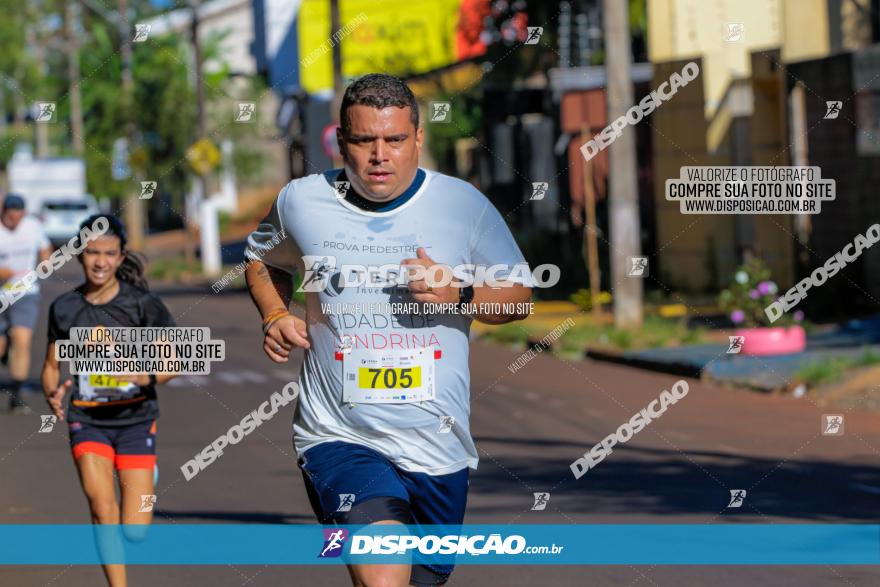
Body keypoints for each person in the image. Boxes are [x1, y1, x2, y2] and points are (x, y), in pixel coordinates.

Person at [245, 73, 533, 586]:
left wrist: (459, 293)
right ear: (341, 140)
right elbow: (260, 260)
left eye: (395, 140)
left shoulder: (461, 206)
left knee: (422, 576)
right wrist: (274, 314)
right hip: (338, 436)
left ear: (418, 139)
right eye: (364, 140)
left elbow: (519, 298)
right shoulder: (302, 202)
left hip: (437, 446)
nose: (380, 155)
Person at [41, 214, 177, 587]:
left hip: (136, 419)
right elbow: (52, 366)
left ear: (120, 257)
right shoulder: (65, 309)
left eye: (109, 253)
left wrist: (144, 375)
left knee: (134, 531)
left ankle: (148, 475)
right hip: (88, 420)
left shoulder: (143, 306)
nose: (100, 261)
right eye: (92, 253)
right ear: (79, 255)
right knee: (102, 508)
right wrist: (52, 392)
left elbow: (173, 362)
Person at [0, 193, 52, 414]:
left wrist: (46, 260)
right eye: (10, 216)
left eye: (18, 216)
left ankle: (16, 395)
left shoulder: (32, 226)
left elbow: (44, 248)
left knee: (22, 340)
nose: (14, 220)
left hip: (26, 292)